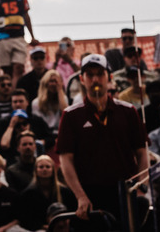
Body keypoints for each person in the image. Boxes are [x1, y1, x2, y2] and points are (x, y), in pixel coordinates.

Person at [56, 54, 148, 223]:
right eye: (89, 75)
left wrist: (141, 186)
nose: (95, 79)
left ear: (110, 78)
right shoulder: (71, 115)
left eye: (100, 74)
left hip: (124, 192)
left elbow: (142, 152)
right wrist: (80, 196)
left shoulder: (128, 112)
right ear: (82, 79)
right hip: (89, 195)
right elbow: (65, 160)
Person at [16, 155, 76, 232]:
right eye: (41, 167)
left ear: (53, 170)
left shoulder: (65, 191)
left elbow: (72, 211)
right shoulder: (28, 194)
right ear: (36, 170)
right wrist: (42, 226)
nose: (44, 169)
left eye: (48, 167)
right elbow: (25, 218)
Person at [30, 70, 67, 136]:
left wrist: (59, 90)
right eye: (51, 81)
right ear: (45, 83)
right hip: (44, 135)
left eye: (57, 82)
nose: (55, 84)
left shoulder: (63, 99)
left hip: (60, 134)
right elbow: (37, 126)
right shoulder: (36, 103)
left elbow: (66, 115)